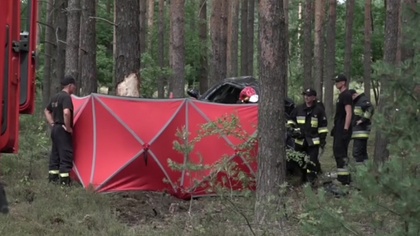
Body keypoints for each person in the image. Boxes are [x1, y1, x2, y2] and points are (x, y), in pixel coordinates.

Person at [287, 88, 328, 184]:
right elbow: (290, 121)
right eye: (305, 95)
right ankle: (303, 178)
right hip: (300, 141)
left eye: (309, 96)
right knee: (300, 161)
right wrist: (292, 129)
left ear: (314, 97)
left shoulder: (319, 110)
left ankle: (311, 181)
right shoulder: (298, 109)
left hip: (313, 142)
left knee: (312, 162)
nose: (306, 97)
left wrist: (322, 141)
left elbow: (323, 127)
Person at [44, 75, 76, 186]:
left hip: (55, 129)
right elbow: (66, 112)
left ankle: (52, 181)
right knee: (65, 156)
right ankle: (64, 184)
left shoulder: (55, 97)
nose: (74, 89)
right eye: (74, 87)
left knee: (55, 155)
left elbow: (47, 111)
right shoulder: (66, 97)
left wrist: (52, 123)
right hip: (63, 130)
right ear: (70, 86)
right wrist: (68, 127)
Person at [331, 74, 353, 185]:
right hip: (339, 127)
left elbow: (349, 113)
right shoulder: (341, 95)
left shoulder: (346, 95)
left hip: (343, 128)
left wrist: (345, 129)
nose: (336, 83)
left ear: (343, 82)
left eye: (337, 81)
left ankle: (343, 180)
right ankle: (344, 175)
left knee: (340, 152)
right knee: (337, 151)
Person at [348, 89, 374, 165]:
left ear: (354, 95)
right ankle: (366, 169)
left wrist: (363, 120)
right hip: (358, 131)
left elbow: (370, 109)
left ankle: (359, 171)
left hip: (361, 130)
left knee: (357, 153)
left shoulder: (362, 100)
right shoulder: (356, 101)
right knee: (363, 153)